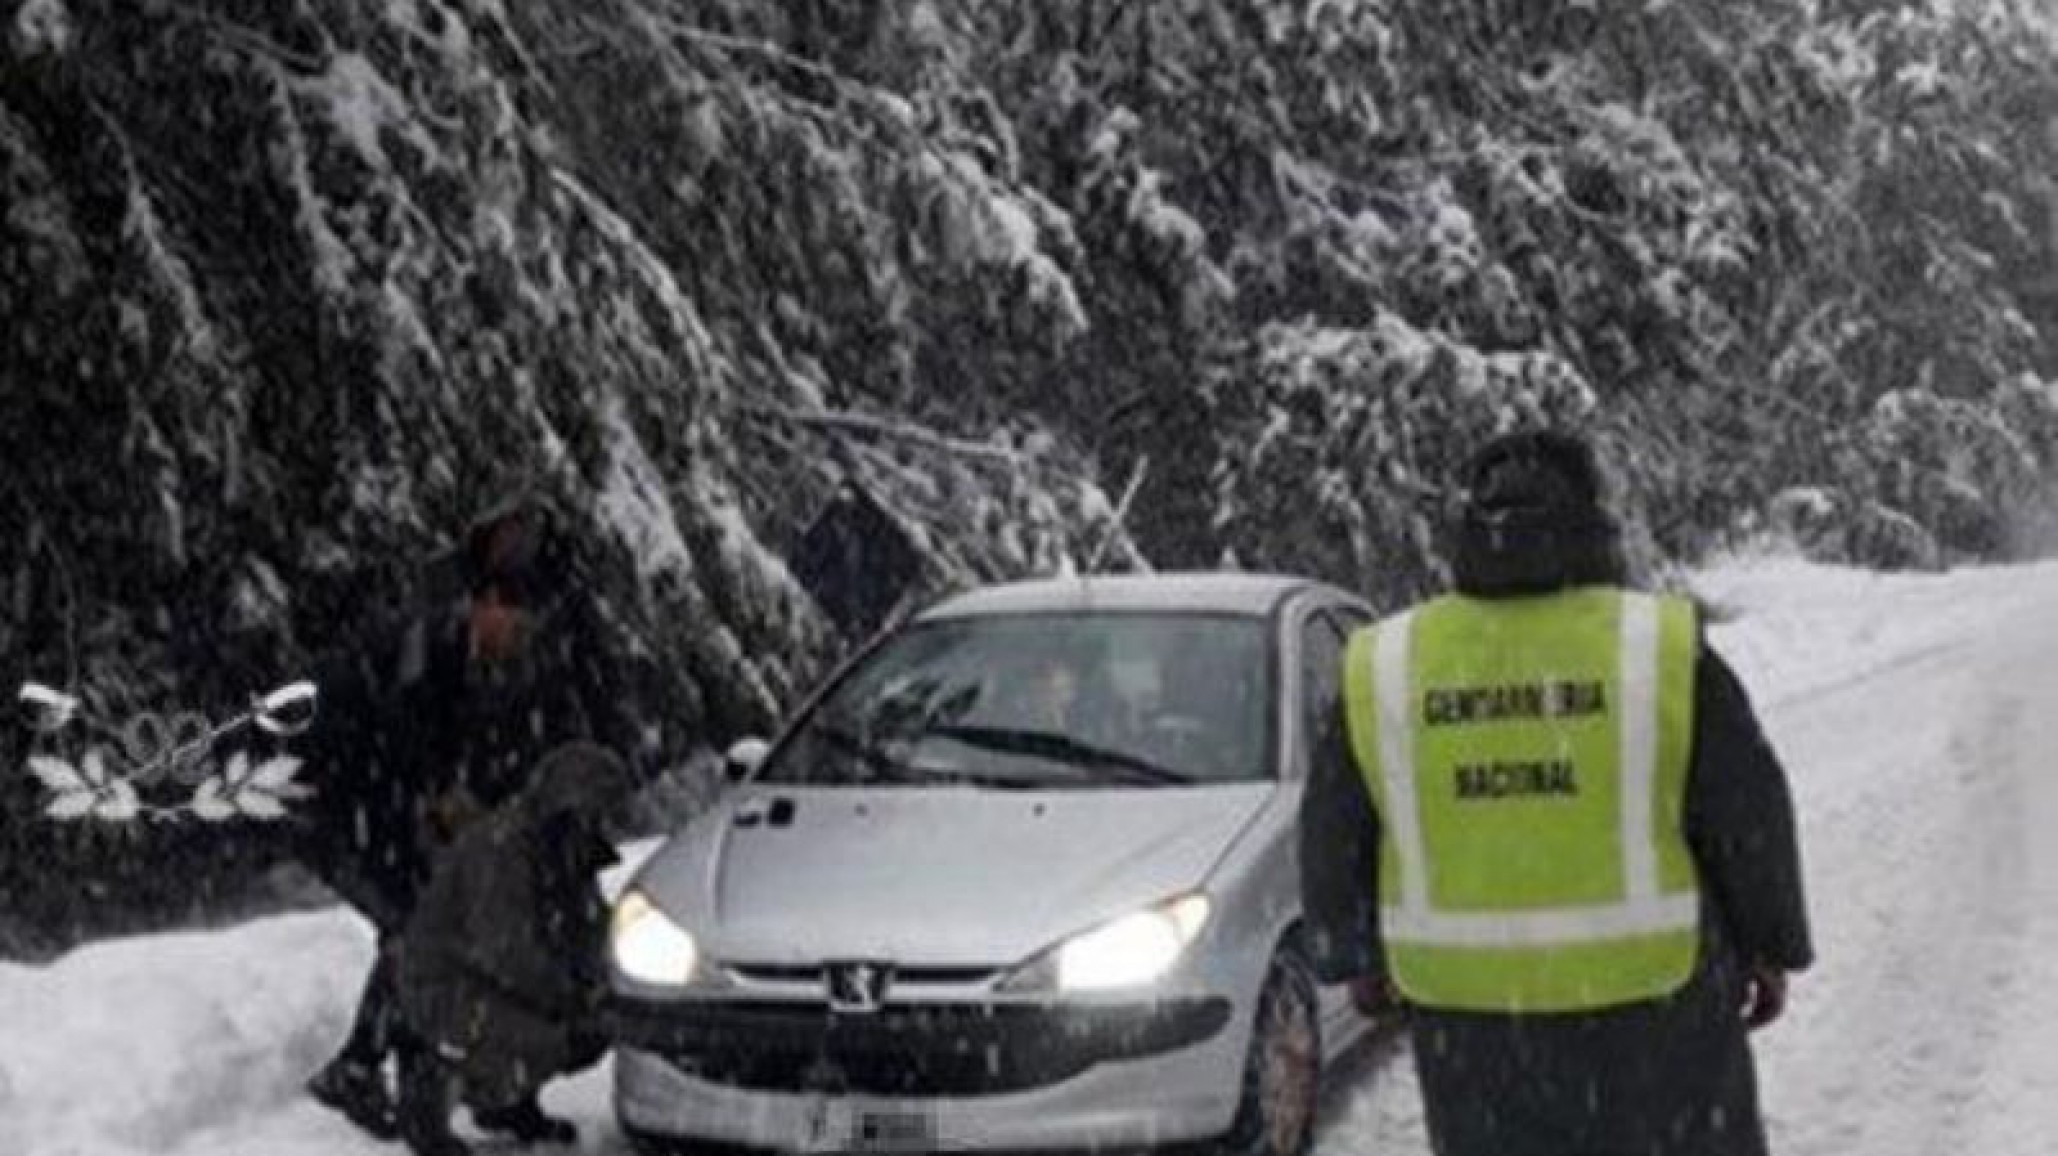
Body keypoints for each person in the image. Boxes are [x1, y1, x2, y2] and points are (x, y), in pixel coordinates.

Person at [1301, 431, 1814, 1156]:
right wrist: (1771, 944)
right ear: (1593, 521)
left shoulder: (1390, 660)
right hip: (1660, 1014)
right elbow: (1744, 807)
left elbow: (1333, 825)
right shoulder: (1656, 646)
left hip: (1472, 1026)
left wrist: (1350, 955)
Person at [298, 498, 639, 1139]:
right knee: (420, 921)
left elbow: (509, 759)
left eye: (528, 615)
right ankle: (365, 1068)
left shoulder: (523, 663)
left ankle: (499, 1088)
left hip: (383, 791)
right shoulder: (424, 648)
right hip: (340, 800)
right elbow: (399, 758)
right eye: (506, 610)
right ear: (478, 600)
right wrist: (443, 808)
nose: (518, 628)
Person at [393, 741, 633, 1156]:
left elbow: (590, 926)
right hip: (447, 988)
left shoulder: (563, 851)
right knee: (559, 1037)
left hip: (486, 982)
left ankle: (508, 1099)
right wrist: (573, 997)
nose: (604, 825)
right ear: (570, 806)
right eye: (597, 813)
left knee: (587, 1030)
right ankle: (434, 1086)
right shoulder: (501, 850)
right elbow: (506, 950)